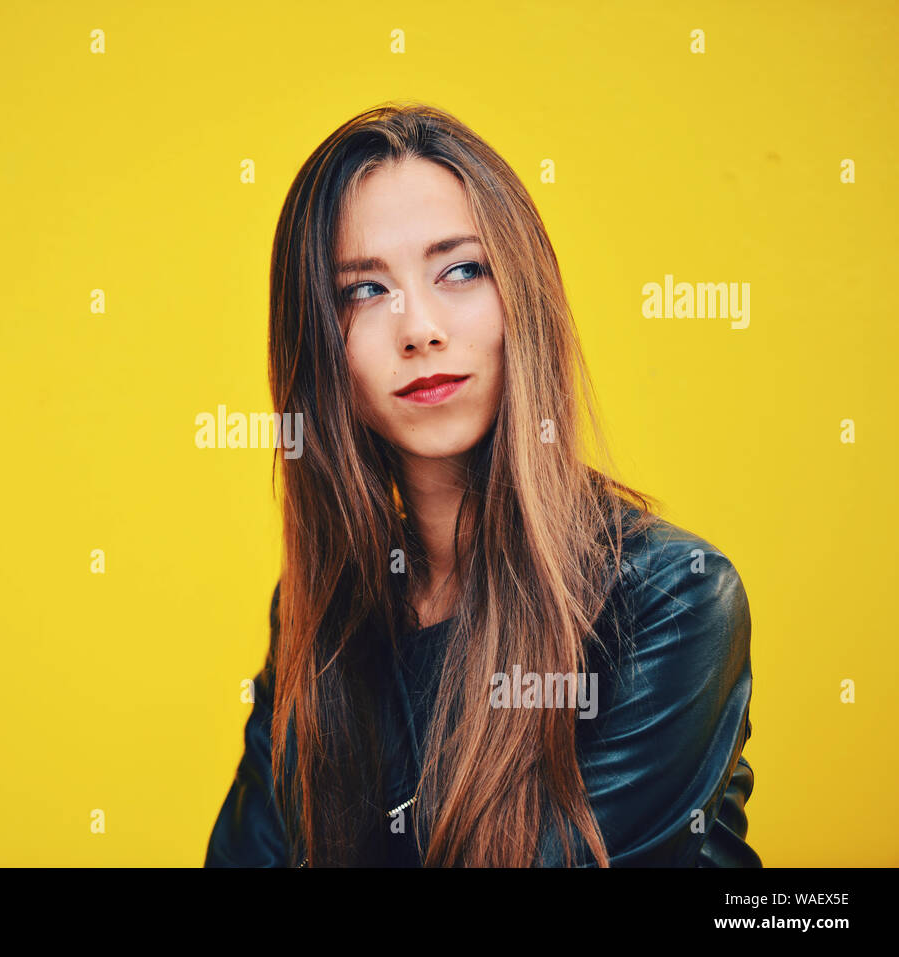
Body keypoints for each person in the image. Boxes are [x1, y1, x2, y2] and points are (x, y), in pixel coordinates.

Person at [204, 101, 759, 867]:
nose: (419, 327)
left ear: (521, 300)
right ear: (321, 347)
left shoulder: (669, 599)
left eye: (460, 269)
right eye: (364, 290)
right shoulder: (321, 610)